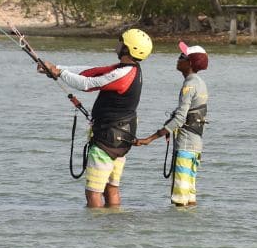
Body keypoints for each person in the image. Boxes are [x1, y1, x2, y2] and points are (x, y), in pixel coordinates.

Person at [37, 29, 153, 208]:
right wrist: (56, 68)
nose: (117, 44)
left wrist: (59, 73)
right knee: (111, 188)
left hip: (108, 138)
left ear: (127, 49)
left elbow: (87, 84)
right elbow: (90, 72)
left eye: (121, 42)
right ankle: (112, 227)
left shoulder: (123, 74)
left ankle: (96, 232)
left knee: (93, 192)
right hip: (122, 137)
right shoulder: (127, 70)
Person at [135, 41, 209, 206]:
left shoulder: (189, 85)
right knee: (189, 197)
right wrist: (169, 129)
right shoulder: (200, 83)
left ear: (189, 63)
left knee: (179, 199)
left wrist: (150, 138)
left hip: (185, 146)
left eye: (181, 57)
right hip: (195, 146)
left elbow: (180, 119)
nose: (177, 59)